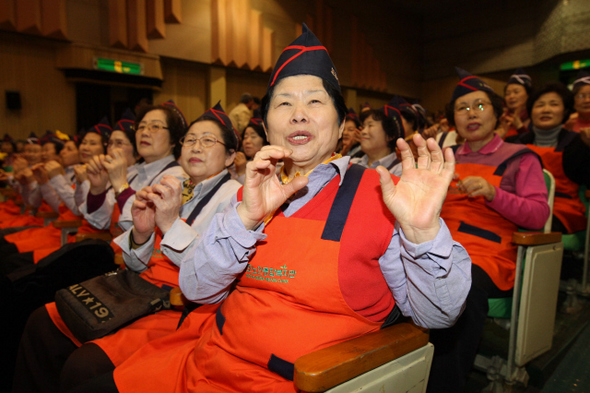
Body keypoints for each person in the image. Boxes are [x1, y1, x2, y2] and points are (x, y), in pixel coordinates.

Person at [68, 24, 471, 393]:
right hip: (204, 359)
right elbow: (196, 288)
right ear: (267, 125)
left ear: (339, 122)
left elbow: (438, 316)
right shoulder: (255, 186)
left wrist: (422, 234)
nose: (298, 113)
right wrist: (245, 218)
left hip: (294, 383)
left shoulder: (386, 196)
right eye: (283, 104)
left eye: (315, 101)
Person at [12, 104, 242, 393]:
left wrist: (169, 224)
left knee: (85, 366)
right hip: (138, 286)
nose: (196, 147)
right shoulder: (175, 183)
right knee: (42, 323)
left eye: (208, 140)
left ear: (232, 156)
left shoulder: (235, 198)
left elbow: (211, 272)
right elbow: (134, 261)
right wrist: (142, 234)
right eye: (191, 140)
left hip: (181, 304)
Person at [426, 67, 549, 393]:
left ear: (498, 113)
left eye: (479, 105)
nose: (471, 114)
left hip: (487, 256)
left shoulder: (521, 158)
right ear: (454, 120)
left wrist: (496, 194)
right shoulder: (445, 159)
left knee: (457, 289)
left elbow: (538, 215)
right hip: (440, 246)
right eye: (462, 108)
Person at [507, 82, 590, 234]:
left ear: (565, 111)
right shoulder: (513, 143)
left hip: (561, 209)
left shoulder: (578, 143)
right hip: (519, 205)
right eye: (540, 105)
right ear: (531, 111)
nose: (546, 110)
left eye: (554, 104)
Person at [352, 97, 404, 176]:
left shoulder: (399, 171)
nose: (363, 132)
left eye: (370, 125)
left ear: (390, 135)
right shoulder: (353, 163)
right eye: (363, 126)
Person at [234, 111, 269, 184]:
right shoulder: (243, 163)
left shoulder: (272, 167)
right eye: (245, 137)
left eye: (253, 137)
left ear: (265, 140)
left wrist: (241, 172)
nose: (247, 141)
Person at [499, 68, 532, 139]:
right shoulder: (501, 118)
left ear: (528, 95)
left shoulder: (533, 118)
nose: (511, 96)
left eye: (516, 92)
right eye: (507, 94)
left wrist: (519, 125)